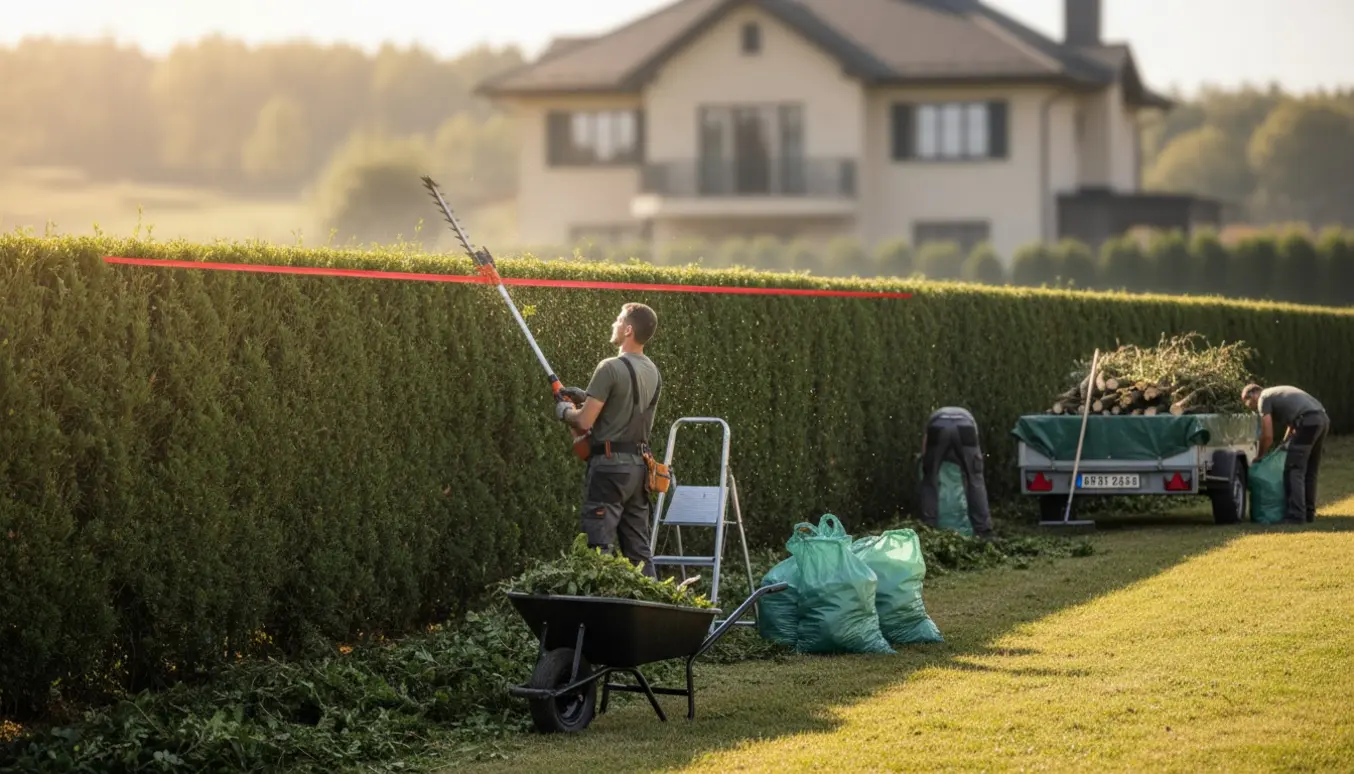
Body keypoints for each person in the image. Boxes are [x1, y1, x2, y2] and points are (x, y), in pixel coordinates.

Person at [554, 303, 662, 576]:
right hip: (639, 470)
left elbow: (584, 422)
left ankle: (595, 615)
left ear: (628, 330)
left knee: (597, 550)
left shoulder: (609, 367)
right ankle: (650, 608)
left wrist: (565, 411)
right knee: (639, 552)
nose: (613, 323)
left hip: (609, 471)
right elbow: (622, 409)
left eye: (618, 319)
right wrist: (586, 397)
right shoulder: (653, 371)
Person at [1242, 383, 1329, 524]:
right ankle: (1308, 513)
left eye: (1246, 402)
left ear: (1252, 395)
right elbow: (1291, 424)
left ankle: (1296, 516)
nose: (1249, 406)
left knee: (1293, 469)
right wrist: (1284, 443)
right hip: (1322, 419)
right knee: (1310, 470)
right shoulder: (1276, 394)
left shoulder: (1263, 398)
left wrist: (1260, 456)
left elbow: (1267, 436)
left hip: (1308, 422)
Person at [918, 406, 994, 540]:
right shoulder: (969, 419)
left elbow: (925, 451)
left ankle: (928, 528)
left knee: (929, 480)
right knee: (975, 479)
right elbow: (974, 454)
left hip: (938, 425)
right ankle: (983, 531)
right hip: (966, 426)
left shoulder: (934, 419)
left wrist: (927, 465)